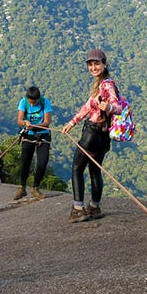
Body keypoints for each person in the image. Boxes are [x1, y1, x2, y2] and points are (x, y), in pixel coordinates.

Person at [61, 48, 122, 223]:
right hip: (103, 138)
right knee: (95, 170)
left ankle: (78, 208)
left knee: (77, 169)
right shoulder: (102, 83)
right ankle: (94, 207)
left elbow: (117, 107)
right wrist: (72, 123)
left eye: (97, 63)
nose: (93, 67)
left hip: (91, 134)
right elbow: (88, 106)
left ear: (104, 64)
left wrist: (108, 108)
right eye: (90, 64)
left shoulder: (106, 85)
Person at [15, 86, 52, 200]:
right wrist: (25, 122)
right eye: (30, 101)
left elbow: (46, 122)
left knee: (42, 162)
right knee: (25, 162)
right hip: (28, 135)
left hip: (43, 134)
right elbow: (19, 120)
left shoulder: (45, 102)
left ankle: (35, 188)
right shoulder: (24, 102)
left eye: (34, 102)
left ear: (38, 98)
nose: (32, 104)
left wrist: (34, 126)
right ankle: (22, 187)